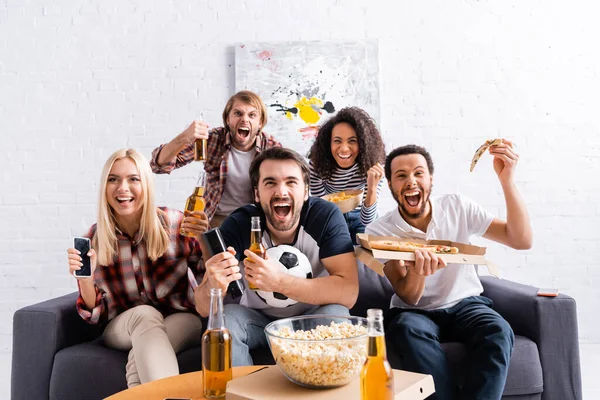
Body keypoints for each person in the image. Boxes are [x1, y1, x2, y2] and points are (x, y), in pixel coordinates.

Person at [366, 143, 532, 400]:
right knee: (407, 330)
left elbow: (521, 240)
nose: (411, 182)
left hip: (466, 304)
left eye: (418, 173)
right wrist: (419, 271)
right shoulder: (379, 231)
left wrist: (507, 182)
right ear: (390, 184)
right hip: (414, 313)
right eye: (401, 176)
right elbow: (409, 296)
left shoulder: (457, 207)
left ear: (431, 179)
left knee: (498, 331)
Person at [193, 147, 359, 366]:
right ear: (256, 193)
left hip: (311, 318)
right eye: (270, 183)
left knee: (338, 314)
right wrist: (213, 286)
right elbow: (203, 308)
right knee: (227, 319)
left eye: (291, 182)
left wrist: (279, 282)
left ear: (306, 190)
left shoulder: (325, 216)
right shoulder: (241, 223)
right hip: (257, 322)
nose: (281, 192)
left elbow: (349, 292)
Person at [67, 148, 209, 387]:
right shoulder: (94, 238)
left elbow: (207, 277)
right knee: (145, 316)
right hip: (122, 326)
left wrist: (204, 240)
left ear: (146, 185)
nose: (123, 188)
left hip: (182, 319)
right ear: (105, 187)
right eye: (113, 179)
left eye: (133, 179)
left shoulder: (177, 224)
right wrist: (85, 279)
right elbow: (93, 316)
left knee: (140, 356)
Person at [150, 90, 282, 226]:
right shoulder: (212, 139)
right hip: (214, 220)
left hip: (254, 221)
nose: (244, 119)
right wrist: (184, 137)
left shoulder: (271, 148)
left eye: (252, 115)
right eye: (238, 113)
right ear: (227, 119)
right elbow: (158, 166)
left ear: (260, 123)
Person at [307, 107, 386, 244]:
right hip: (332, 215)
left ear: (363, 144)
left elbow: (367, 221)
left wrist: (372, 187)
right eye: (337, 141)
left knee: (367, 257)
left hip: (362, 216)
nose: (344, 148)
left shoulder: (374, 166)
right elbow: (321, 209)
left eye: (352, 141)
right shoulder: (316, 165)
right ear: (328, 143)